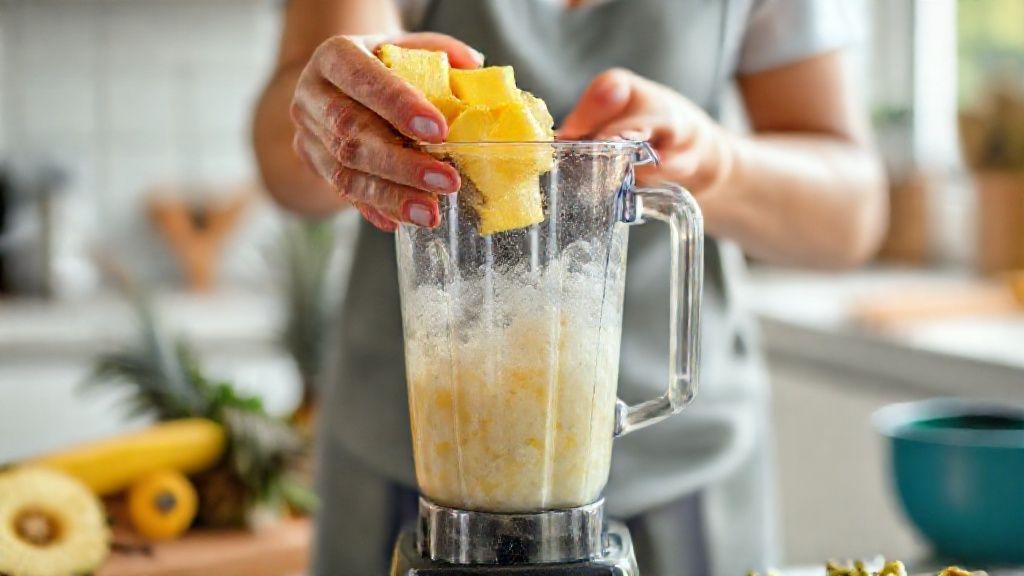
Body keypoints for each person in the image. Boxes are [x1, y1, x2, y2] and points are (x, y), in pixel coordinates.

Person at [252, 1, 887, 574]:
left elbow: (852, 213)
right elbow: (284, 164)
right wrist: (334, 115)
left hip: (684, 471)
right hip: (408, 469)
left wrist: (716, 161)